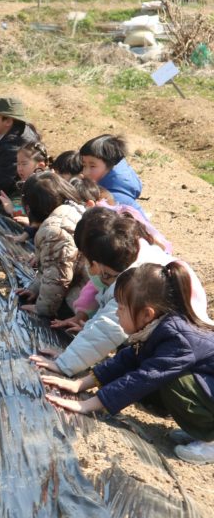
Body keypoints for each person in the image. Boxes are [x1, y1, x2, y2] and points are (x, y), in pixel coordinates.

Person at [42, 261, 214, 464]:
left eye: (121, 308)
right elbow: (127, 359)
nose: (117, 313)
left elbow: (143, 379)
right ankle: (202, 430)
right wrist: (79, 384)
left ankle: (210, 441)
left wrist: (87, 405)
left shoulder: (178, 339)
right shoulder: (158, 327)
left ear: (147, 314)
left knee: (175, 383)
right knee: (159, 374)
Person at [31, 207, 211, 376]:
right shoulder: (132, 255)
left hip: (182, 350)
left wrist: (64, 363)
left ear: (96, 264)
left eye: (85, 257)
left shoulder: (134, 284)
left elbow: (106, 328)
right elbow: (105, 313)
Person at [15, 172, 86, 318]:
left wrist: (42, 308)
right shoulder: (72, 209)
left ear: (29, 208)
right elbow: (50, 265)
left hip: (84, 299)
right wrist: (35, 288)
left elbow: (57, 277)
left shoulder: (54, 231)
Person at [0, 97, 41, 211]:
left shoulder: (13, 146)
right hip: (20, 187)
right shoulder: (6, 136)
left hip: (25, 193)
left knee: (2, 209)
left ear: (8, 121)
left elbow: (3, 178)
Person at [0, 140, 51, 243]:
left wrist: (13, 210)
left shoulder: (46, 188)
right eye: (18, 164)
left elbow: (45, 219)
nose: (19, 169)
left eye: (24, 164)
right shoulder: (29, 185)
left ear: (40, 166)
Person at [79, 134, 144, 216]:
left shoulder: (112, 200)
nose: (85, 172)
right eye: (84, 165)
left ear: (110, 164)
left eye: (92, 166)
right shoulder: (116, 180)